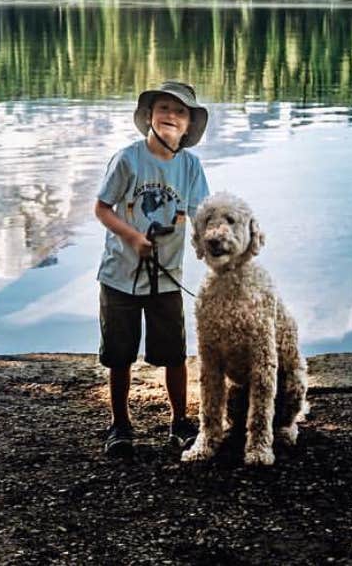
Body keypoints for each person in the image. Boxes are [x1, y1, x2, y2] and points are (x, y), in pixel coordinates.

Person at [94, 81, 210, 458]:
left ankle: (180, 423)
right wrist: (132, 237)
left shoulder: (190, 166)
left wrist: (215, 248)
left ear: (190, 124)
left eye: (180, 112)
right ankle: (120, 425)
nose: (171, 117)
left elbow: (202, 213)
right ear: (149, 116)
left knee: (174, 354)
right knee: (119, 355)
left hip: (167, 276)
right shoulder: (128, 159)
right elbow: (102, 209)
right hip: (119, 277)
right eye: (164, 109)